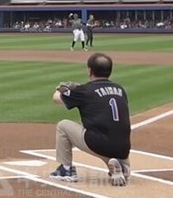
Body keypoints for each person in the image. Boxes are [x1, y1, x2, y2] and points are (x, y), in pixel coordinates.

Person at [50, 52, 131, 186]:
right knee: (105, 131)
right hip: (124, 147)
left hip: (99, 143)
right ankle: (122, 166)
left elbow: (56, 98)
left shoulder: (85, 90)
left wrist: (61, 89)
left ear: (90, 71)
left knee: (63, 126)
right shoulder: (120, 89)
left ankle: (66, 170)